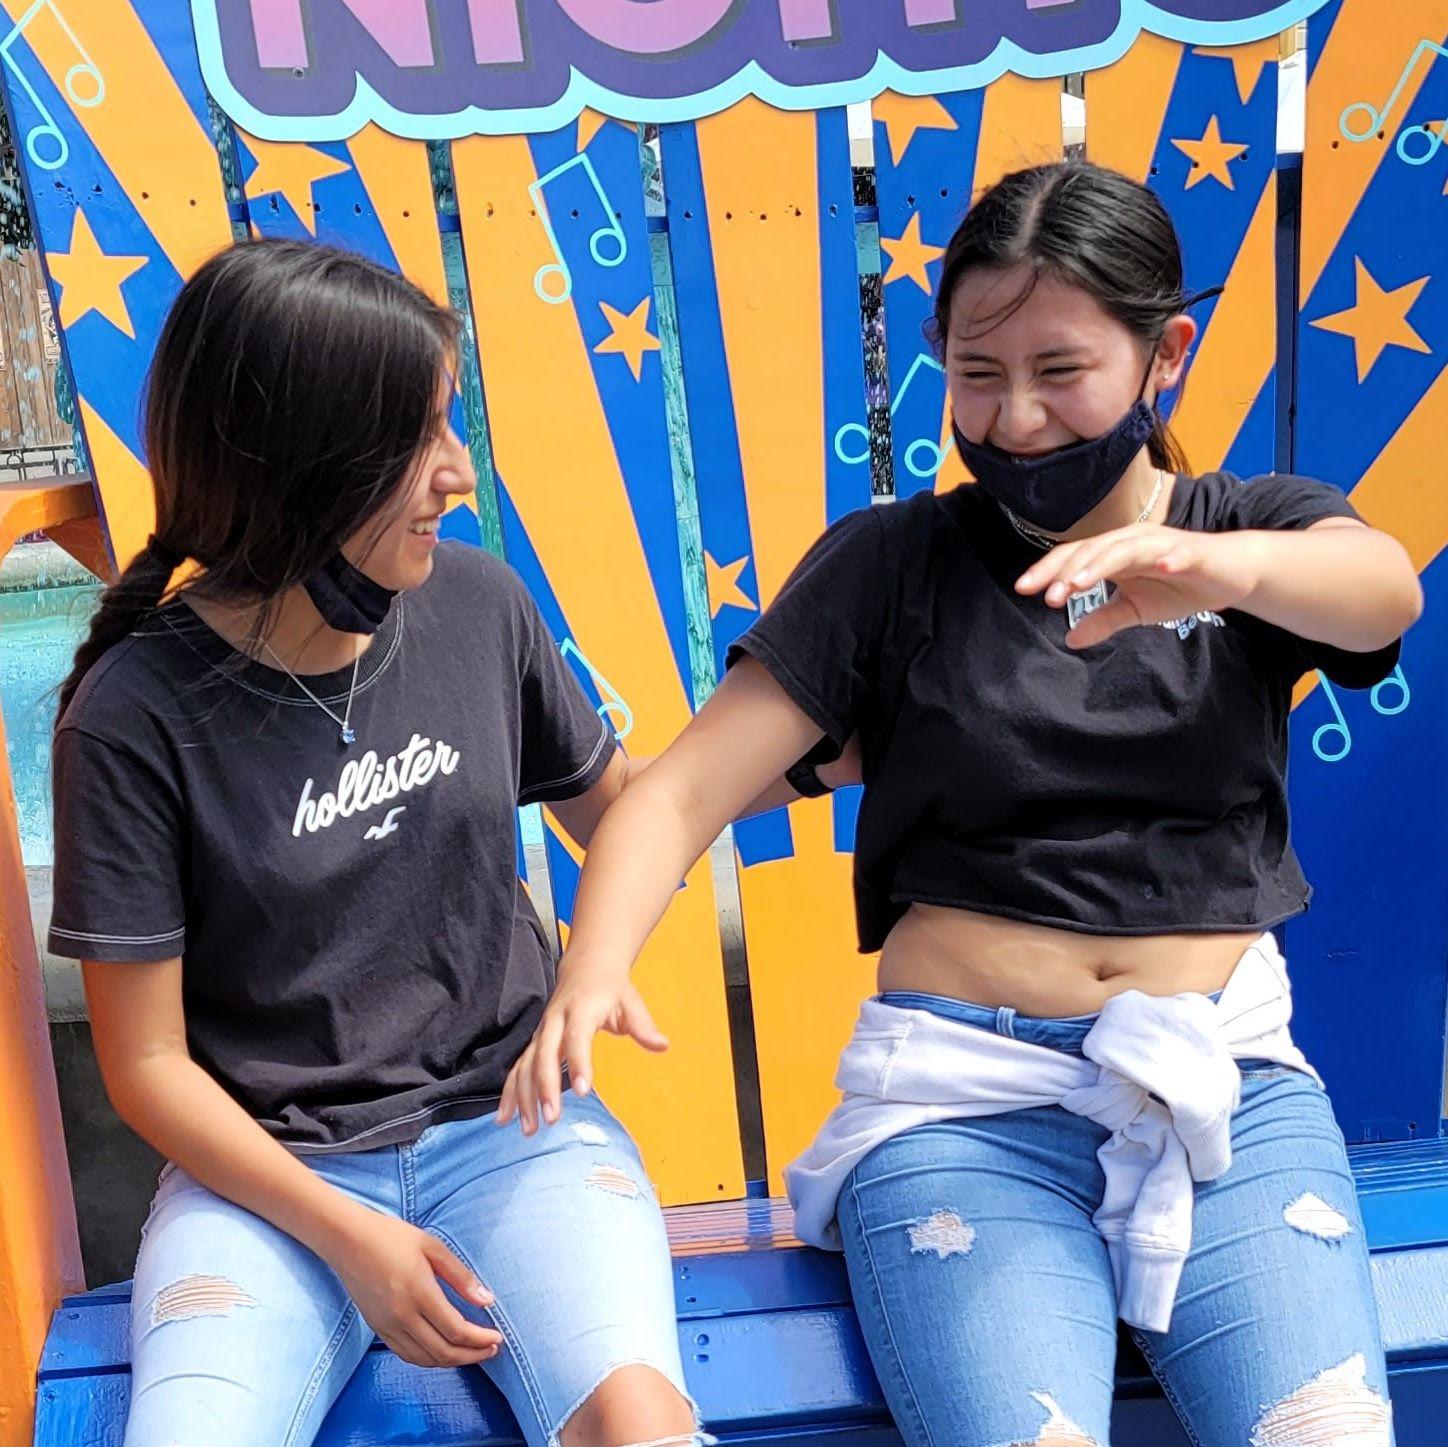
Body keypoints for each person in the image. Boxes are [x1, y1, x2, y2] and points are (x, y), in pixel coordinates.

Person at [499, 161, 1422, 1447]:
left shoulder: (1248, 534)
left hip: (1222, 1086)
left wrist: (1205, 567)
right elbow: (676, 797)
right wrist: (591, 968)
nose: (1016, 418)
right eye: (977, 374)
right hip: (963, 1108)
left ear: (1163, 355)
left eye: (1060, 371)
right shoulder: (891, 565)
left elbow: (1379, 591)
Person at [49, 238, 769, 1447]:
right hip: (262, 1185)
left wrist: (812, 733)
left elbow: (633, 815)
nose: (458, 473)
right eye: (418, 437)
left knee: (640, 1422)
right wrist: (354, 1238)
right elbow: (149, 1066)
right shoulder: (133, 716)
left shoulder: (477, 606)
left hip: (514, 1137)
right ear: (299, 466)